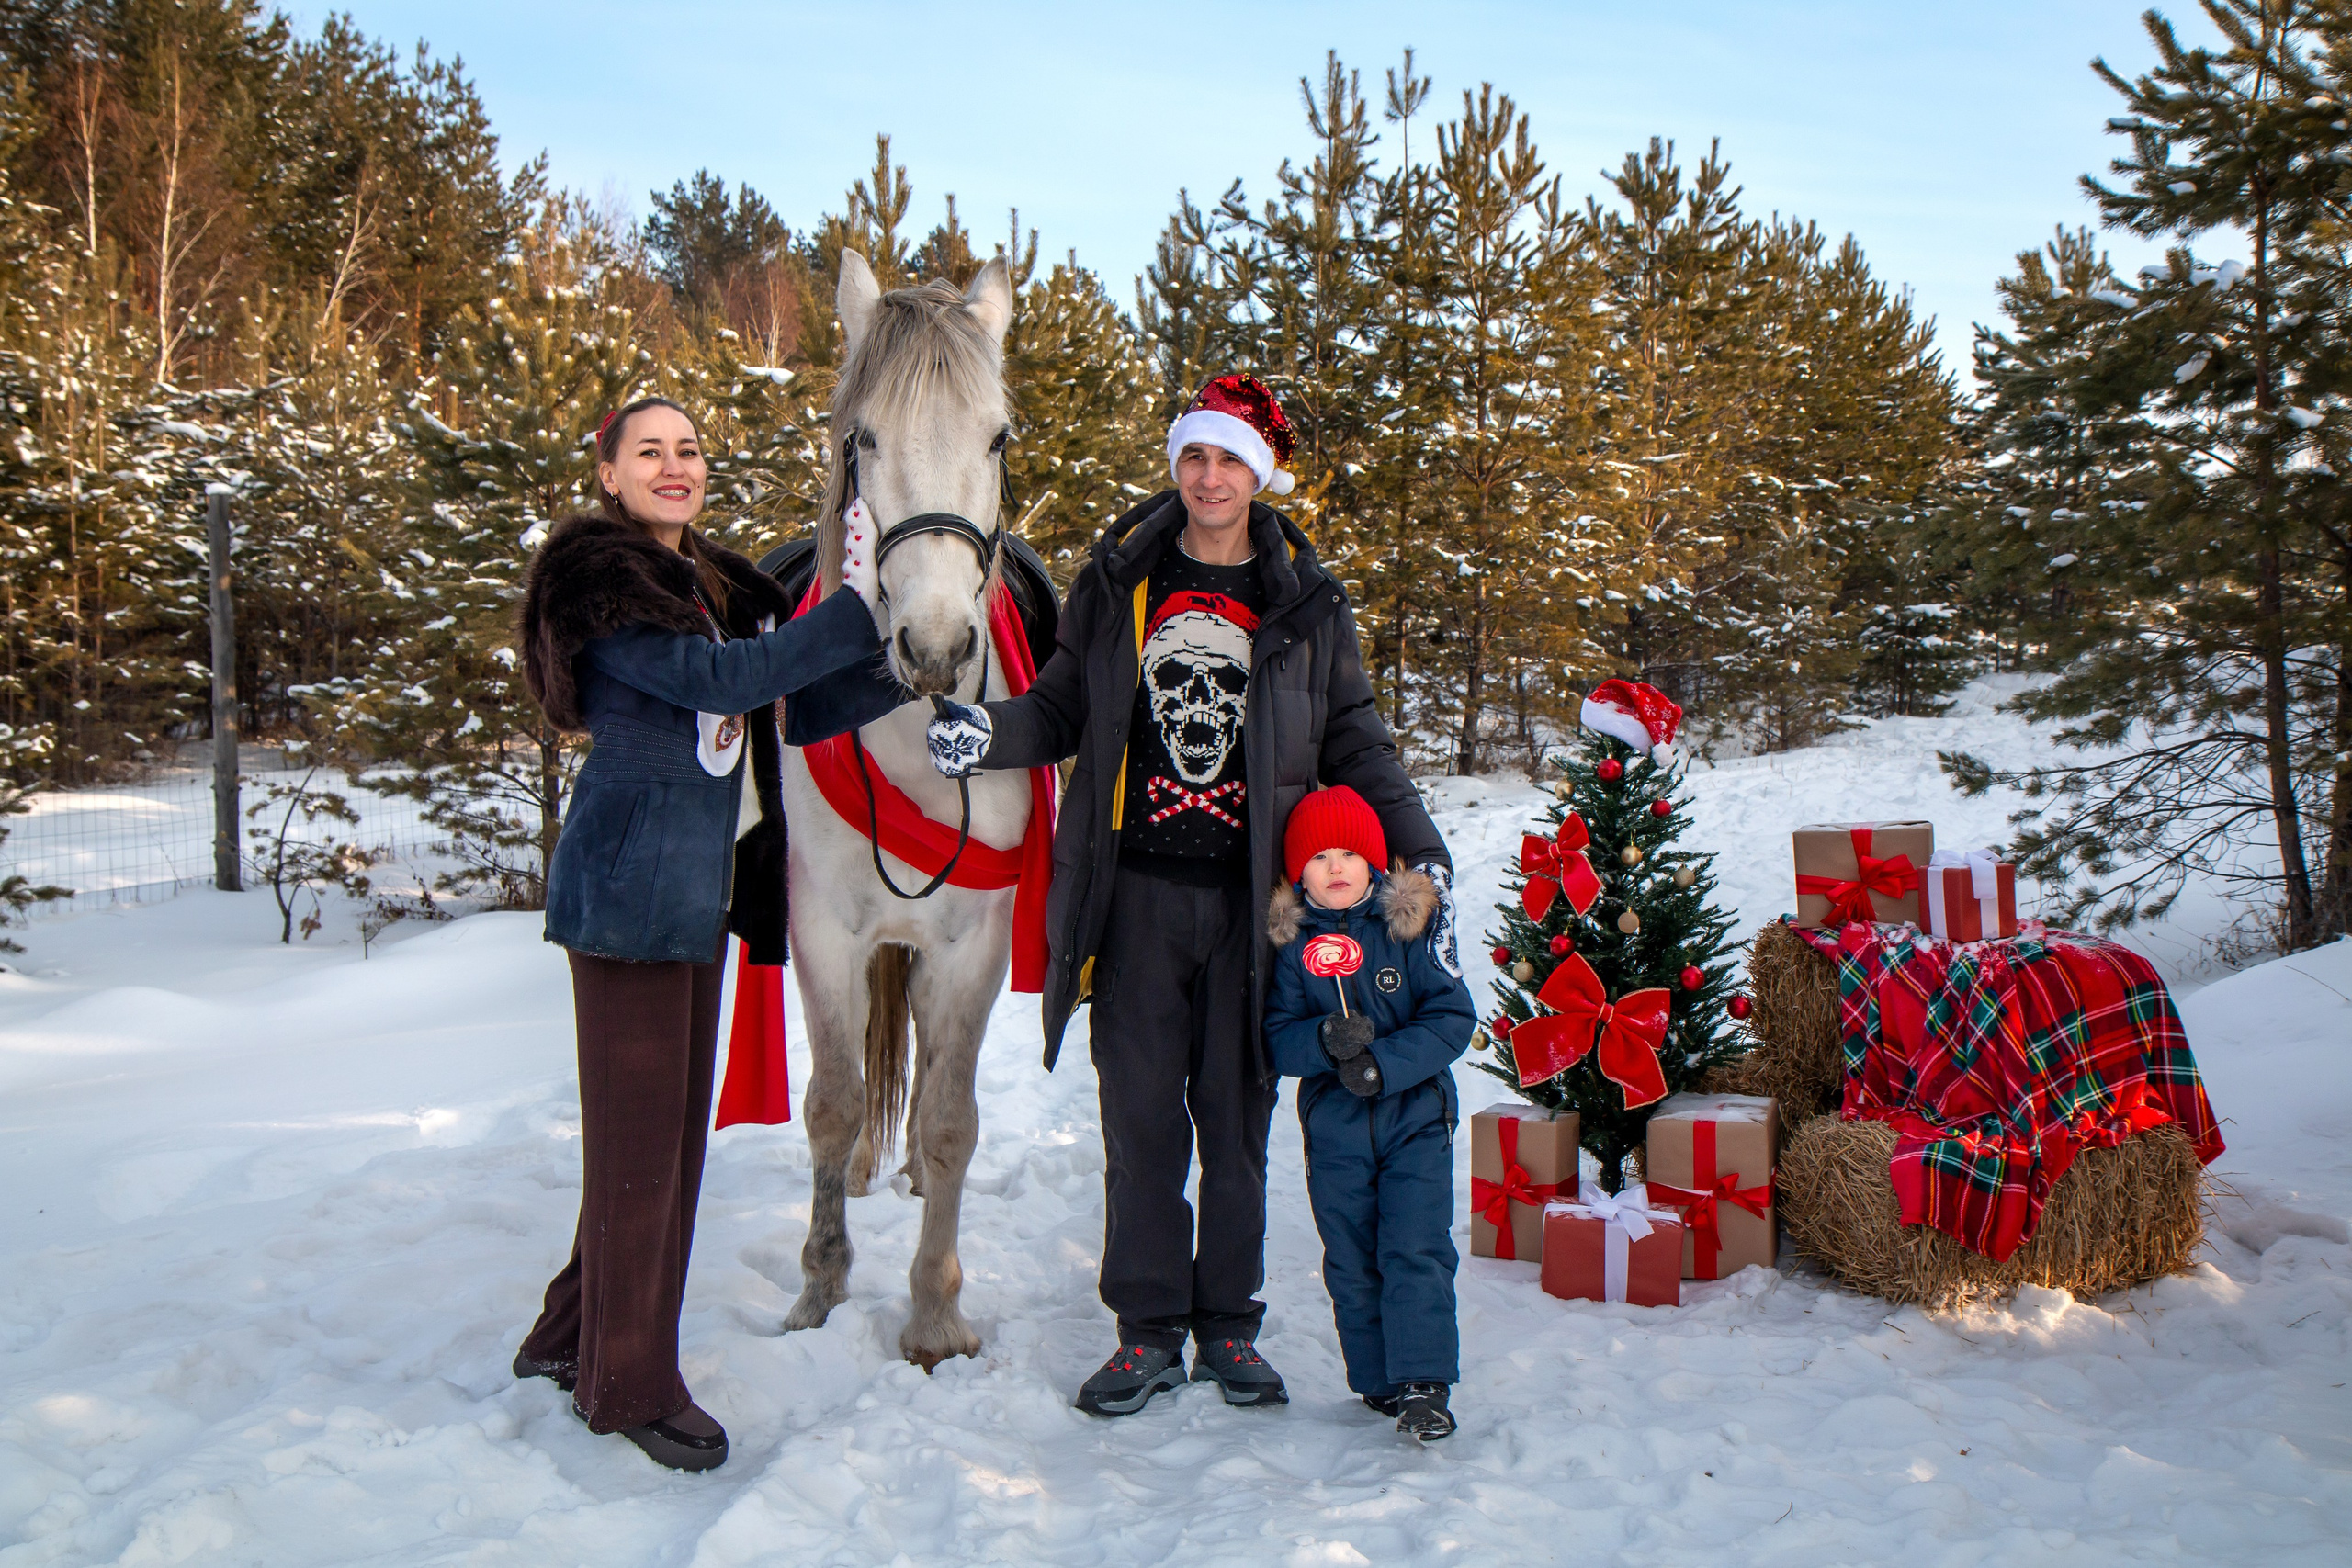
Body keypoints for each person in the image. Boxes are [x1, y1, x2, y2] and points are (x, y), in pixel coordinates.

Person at [924, 374, 1461, 1416]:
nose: (1209, 477)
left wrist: (1419, 853)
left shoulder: (1304, 602)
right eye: (1193, 456)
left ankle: (1227, 1326)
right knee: (1139, 1121)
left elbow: (1356, 739)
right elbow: (1061, 708)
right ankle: (1144, 1329)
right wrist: (985, 735)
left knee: (1237, 1117)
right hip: (1134, 900)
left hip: (1262, 914)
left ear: (1260, 474)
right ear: (1176, 464)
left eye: (1230, 460)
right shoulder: (1120, 580)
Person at [511, 395, 886, 1471]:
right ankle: (625, 1386)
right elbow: (718, 683)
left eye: (688, 451)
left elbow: (782, 707)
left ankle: (567, 1335)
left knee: (662, 1146)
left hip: (695, 896)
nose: (674, 468)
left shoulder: (709, 587)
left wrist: (891, 665)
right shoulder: (604, 584)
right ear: (610, 477)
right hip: (629, 895)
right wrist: (855, 604)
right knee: (642, 1156)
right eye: (650, 453)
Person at [1263, 785, 1474, 1441]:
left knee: (1414, 1243)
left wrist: (1387, 1063)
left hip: (1415, 1116)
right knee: (1351, 1253)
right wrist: (1322, 1042)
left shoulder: (1409, 928)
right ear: (1299, 872)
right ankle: (1380, 1379)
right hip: (1335, 1127)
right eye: (1319, 856)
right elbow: (1277, 1035)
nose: (1335, 867)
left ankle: (1424, 1380)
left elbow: (1451, 1017)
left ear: (1376, 863)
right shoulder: (1294, 946)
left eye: (1349, 853)